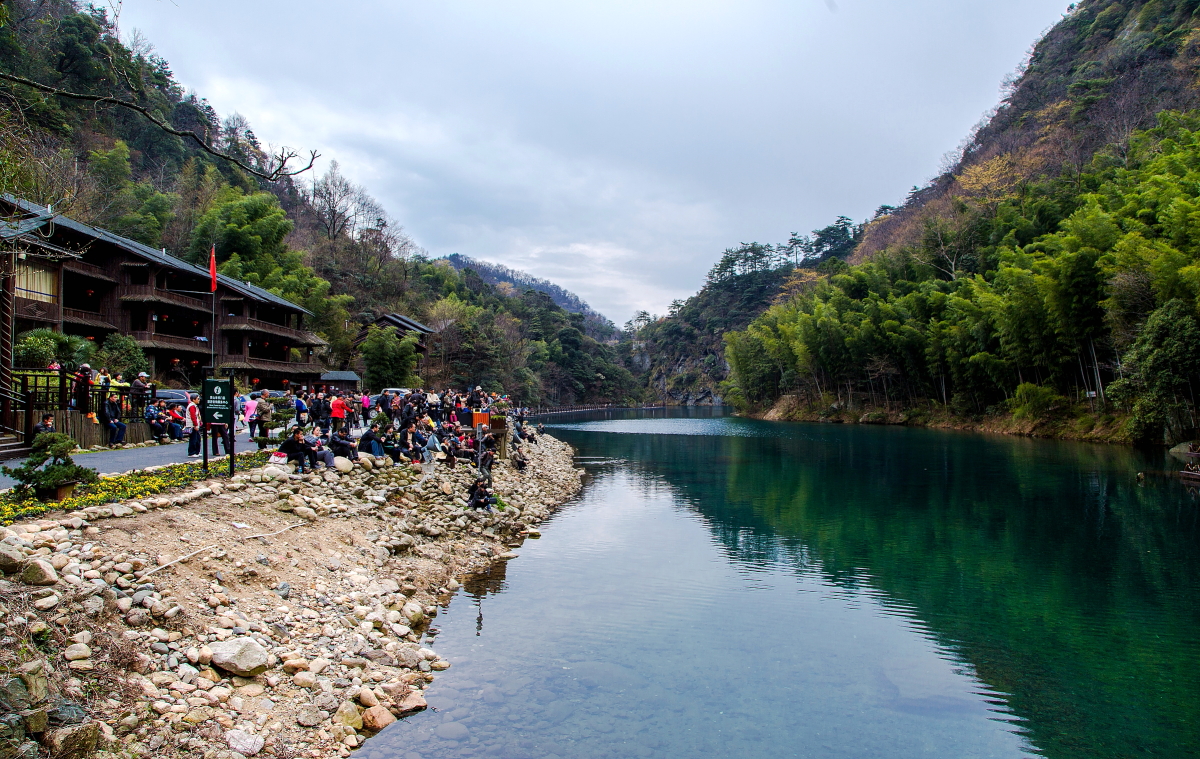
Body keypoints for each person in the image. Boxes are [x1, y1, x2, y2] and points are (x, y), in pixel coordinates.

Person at [185, 393, 202, 457]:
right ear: (193, 399)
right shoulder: (192, 406)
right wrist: (195, 425)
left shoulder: (194, 406)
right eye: (197, 399)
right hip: (192, 425)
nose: (199, 400)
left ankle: (196, 452)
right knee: (193, 438)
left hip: (195, 424)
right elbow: (193, 416)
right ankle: (192, 452)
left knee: (197, 438)